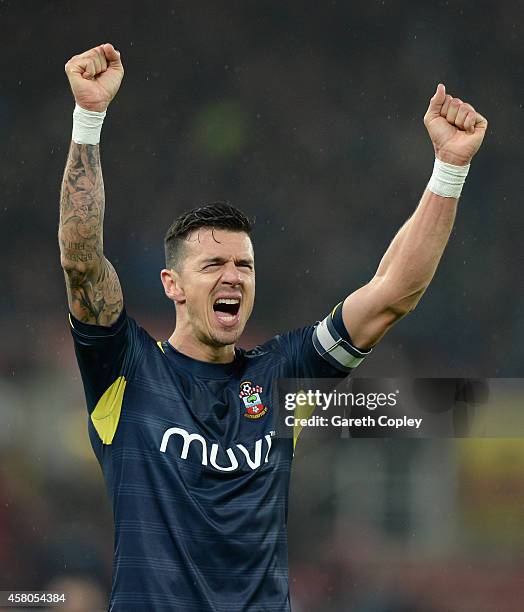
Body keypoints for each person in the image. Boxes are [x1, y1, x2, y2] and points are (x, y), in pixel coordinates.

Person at [59, 43, 487, 611]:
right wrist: (88, 119)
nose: (233, 277)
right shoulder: (127, 370)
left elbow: (391, 294)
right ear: (172, 285)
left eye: (245, 266)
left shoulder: (283, 375)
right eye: (213, 265)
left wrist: (450, 170)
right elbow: (82, 262)